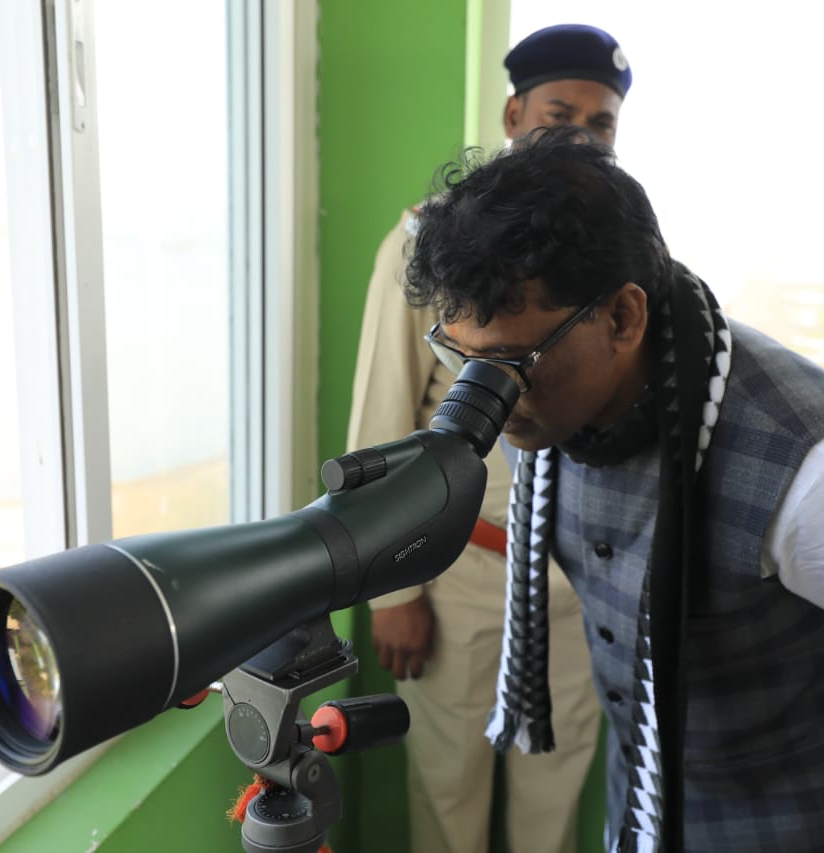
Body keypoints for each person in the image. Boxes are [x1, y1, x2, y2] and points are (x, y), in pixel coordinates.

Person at [401, 126, 824, 853]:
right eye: (458, 354)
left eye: (506, 361)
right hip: (646, 813)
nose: (482, 389)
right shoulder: (551, 405)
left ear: (622, 316)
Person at [346, 23, 632, 853]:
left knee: (554, 804)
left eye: (602, 120)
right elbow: (381, 423)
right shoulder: (431, 243)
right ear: (513, 114)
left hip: (581, 580)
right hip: (464, 572)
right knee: (448, 800)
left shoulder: (623, 259)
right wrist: (393, 596)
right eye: (558, 110)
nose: (581, 134)